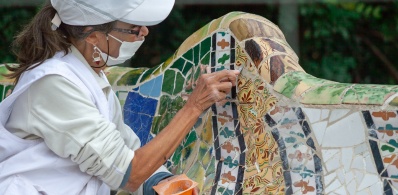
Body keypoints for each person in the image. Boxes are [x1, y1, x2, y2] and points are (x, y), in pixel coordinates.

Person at [0, 0, 240, 194]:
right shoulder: (54, 84)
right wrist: (194, 106)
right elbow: (129, 173)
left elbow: (125, 145)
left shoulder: (86, 73)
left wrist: (163, 180)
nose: (144, 32)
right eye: (134, 27)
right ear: (92, 34)